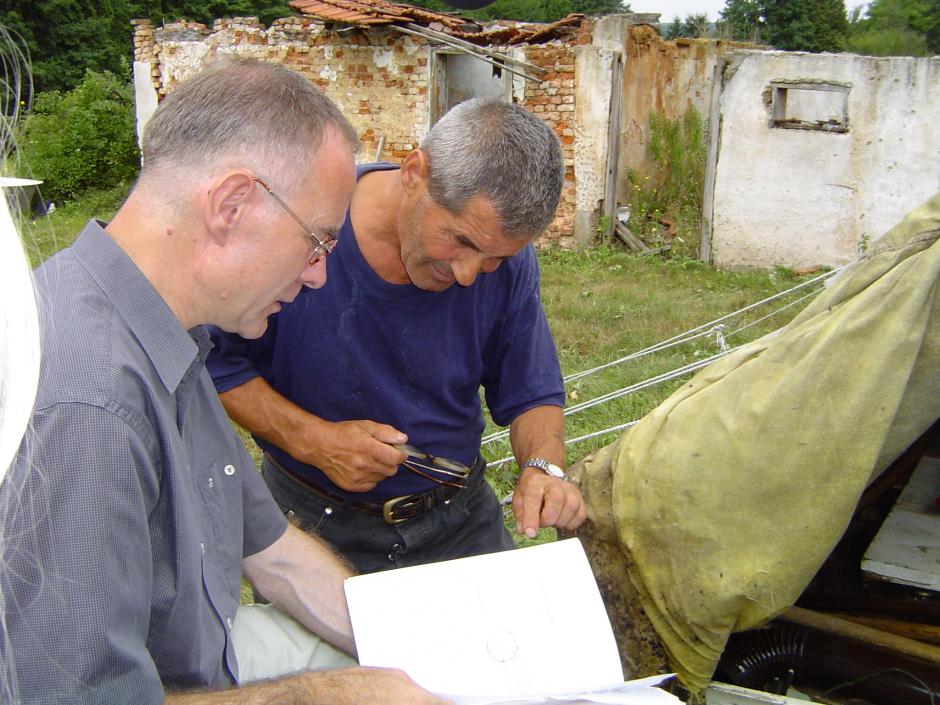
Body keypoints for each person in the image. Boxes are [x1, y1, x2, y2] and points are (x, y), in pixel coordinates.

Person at [0, 59, 448, 705]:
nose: (319, 274)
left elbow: (274, 553)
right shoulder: (89, 402)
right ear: (231, 206)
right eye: (318, 242)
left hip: (211, 654)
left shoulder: (168, 331)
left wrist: (422, 650)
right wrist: (331, 697)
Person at [207, 98, 587, 574]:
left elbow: (531, 390)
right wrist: (314, 441)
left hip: (458, 517)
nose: (469, 274)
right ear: (414, 173)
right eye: (461, 241)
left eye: (496, 258)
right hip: (314, 523)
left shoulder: (503, 259)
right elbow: (216, 362)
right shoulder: (304, 228)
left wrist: (543, 467)